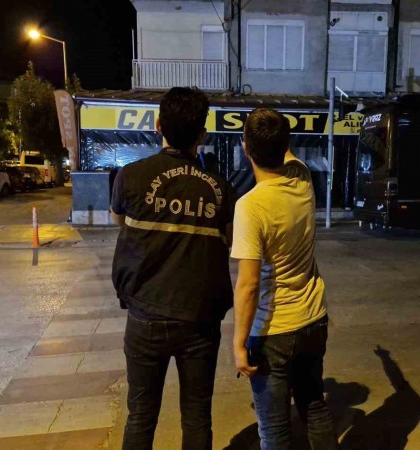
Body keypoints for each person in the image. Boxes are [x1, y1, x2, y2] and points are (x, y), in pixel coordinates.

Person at [110, 87, 236, 450]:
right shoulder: (221, 190)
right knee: (197, 416)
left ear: (158, 125)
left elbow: (119, 221)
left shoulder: (130, 176)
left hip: (145, 315)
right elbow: (228, 241)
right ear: (202, 134)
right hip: (199, 321)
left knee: (141, 415)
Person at [231, 108, 338, 450]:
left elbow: (248, 285)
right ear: (287, 145)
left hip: (273, 332)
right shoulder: (302, 177)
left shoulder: (250, 206)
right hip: (313, 319)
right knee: (314, 406)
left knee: (275, 430)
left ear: (245, 148)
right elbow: (284, 148)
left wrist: (239, 344)